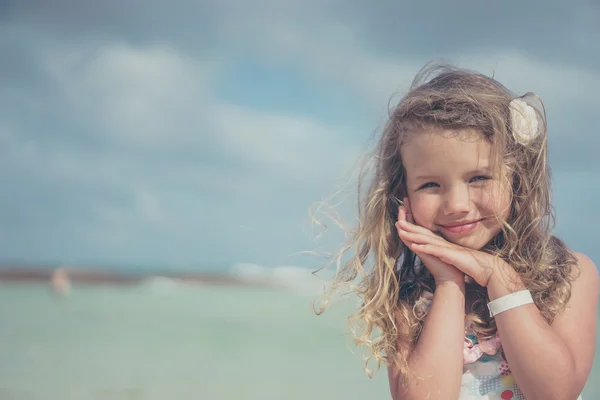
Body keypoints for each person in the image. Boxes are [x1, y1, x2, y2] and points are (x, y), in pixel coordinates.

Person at [314, 63, 598, 399]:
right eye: (431, 184)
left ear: (517, 177)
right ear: (402, 193)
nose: (456, 204)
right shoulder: (409, 295)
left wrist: (498, 275)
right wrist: (449, 284)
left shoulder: (569, 273)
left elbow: (555, 393)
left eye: (478, 178)